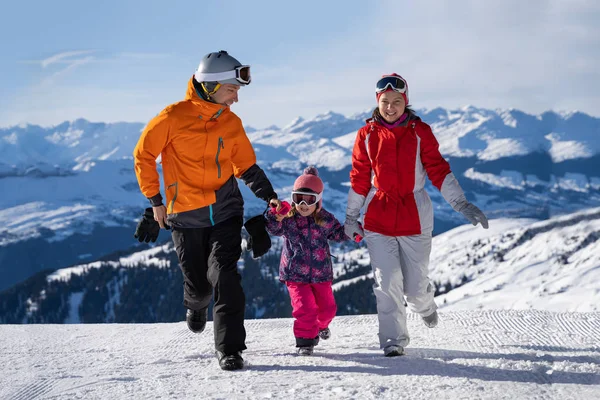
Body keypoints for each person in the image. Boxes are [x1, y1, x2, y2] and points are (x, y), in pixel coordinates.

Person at [132, 50, 280, 371]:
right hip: (185, 215)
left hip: (226, 211)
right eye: (232, 90)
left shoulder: (231, 122)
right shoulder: (172, 117)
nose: (236, 99)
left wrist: (269, 196)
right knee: (200, 288)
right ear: (212, 86)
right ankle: (195, 303)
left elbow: (246, 165)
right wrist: (155, 201)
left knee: (225, 276)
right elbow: (144, 155)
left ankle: (229, 349)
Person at [344, 74, 489, 357]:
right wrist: (351, 218)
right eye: (385, 102)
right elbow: (359, 177)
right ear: (378, 102)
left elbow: (438, 169)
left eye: (396, 102)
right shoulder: (367, 135)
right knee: (386, 283)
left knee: (414, 290)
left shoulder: (420, 132)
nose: (390, 107)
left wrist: (461, 203)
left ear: (405, 102)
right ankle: (393, 340)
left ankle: (425, 304)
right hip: (378, 217)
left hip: (415, 218)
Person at [265, 166, 349, 356]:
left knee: (328, 309)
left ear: (318, 201)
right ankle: (305, 341)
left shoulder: (325, 219)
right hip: (295, 273)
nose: (303, 204)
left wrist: (354, 230)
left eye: (309, 199)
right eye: (298, 198)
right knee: (304, 308)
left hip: (321, 274)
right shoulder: (288, 219)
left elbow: (338, 233)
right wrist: (274, 215)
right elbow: (273, 228)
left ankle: (320, 326)